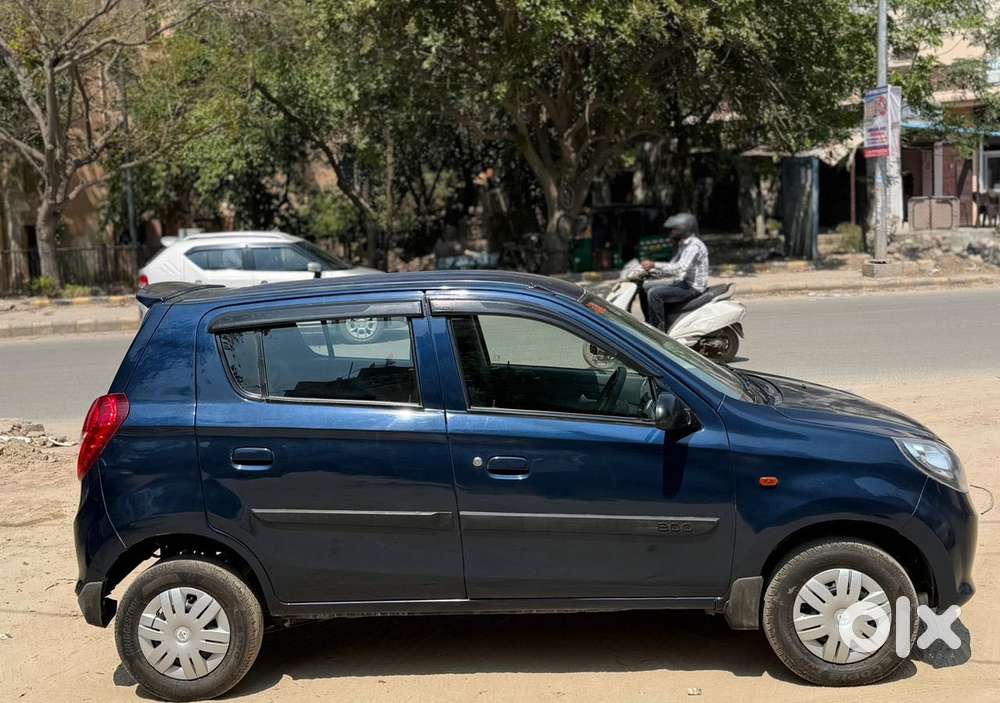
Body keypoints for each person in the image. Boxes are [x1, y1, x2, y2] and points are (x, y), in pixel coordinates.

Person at [636, 213, 709, 332]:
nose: (672, 232)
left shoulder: (694, 246)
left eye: (675, 229)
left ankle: (658, 330)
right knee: (644, 287)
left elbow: (680, 267)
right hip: (683, 281)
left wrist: (654, 265)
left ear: (685, 229)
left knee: (654, 293)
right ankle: (649, 321)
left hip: (693, 287)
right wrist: (653, 272)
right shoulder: (683, 244)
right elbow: (673, 264)